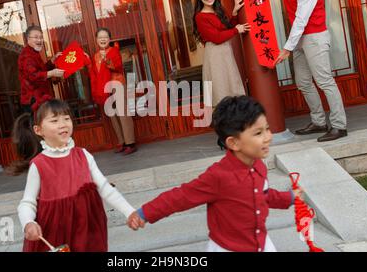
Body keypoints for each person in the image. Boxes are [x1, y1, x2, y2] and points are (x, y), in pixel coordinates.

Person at [127, 96, 303, 252]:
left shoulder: (259, 166)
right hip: (228, 247)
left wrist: (288, 197)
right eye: (258, 133)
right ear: (233, 143)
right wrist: (144, 213)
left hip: (261, 243)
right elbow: (180, 197)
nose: (268, 137)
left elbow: (262, 195)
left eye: (267, 129)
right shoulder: (218, 176)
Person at [9, 99, 141, 252]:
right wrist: (28, 222)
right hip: (55, 231)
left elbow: (104, 187)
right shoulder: (39, 164)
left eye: (66, 118)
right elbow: (28, 202)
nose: (63, 124)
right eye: (54, 120)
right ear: (39, 130)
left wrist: (129, 211)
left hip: (87, 227)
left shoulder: (83, 155)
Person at [260, 0, 347, 142]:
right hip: (300, 38)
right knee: (303, 83)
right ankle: (319, 122)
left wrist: (286, 49)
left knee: (324, 81)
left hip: (314, 36)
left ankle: (339, 126)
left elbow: (301, 20)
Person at [193, 0, 251, 107]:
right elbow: (217, 37)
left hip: (225, 52)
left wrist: (235, 12)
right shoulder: (200, 17)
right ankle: (226, 123)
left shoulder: (218, 10)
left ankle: (238, 122)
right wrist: (236, 30)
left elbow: (228, 28)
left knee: (232, 87)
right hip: (215, 54)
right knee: (221, 90)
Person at [88, 27, 137, 155]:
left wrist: (107, 60)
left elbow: (118, 67)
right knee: (113, 115)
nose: (103, 39)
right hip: (105, 87)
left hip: (117, 83)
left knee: (122, 113)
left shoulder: (114, 51)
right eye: (100, 37)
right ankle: (122, 142)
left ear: (109, 39)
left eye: (105, 37)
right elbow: (95, 73)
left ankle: (130, 143)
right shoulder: (95, 56)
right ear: (96, 40)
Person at [18, 25, 65, 113]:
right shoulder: (26, 55)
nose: (39, 40)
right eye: (36, 37)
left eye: (41, 37)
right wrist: (52, 73)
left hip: (40, 97)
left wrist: (52, 60)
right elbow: (33, 75)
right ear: (28, 39)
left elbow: (41, 71)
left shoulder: (34, 52)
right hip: (33, 100)